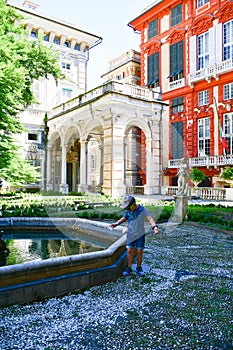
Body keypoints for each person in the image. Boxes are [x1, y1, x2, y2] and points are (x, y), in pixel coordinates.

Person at [110, 195, 158, 276]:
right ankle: (129, 267)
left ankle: (139, 267)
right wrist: (117, 223)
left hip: (140, 234)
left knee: (139, 251)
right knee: (129, 250)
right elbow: (124, 218)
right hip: (131, 234)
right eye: (126, 208)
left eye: (128, 208)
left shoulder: (142, 210)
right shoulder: (128, 211)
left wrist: (154, 226)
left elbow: (149, 218)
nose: (127, 210)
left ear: (134, 204)